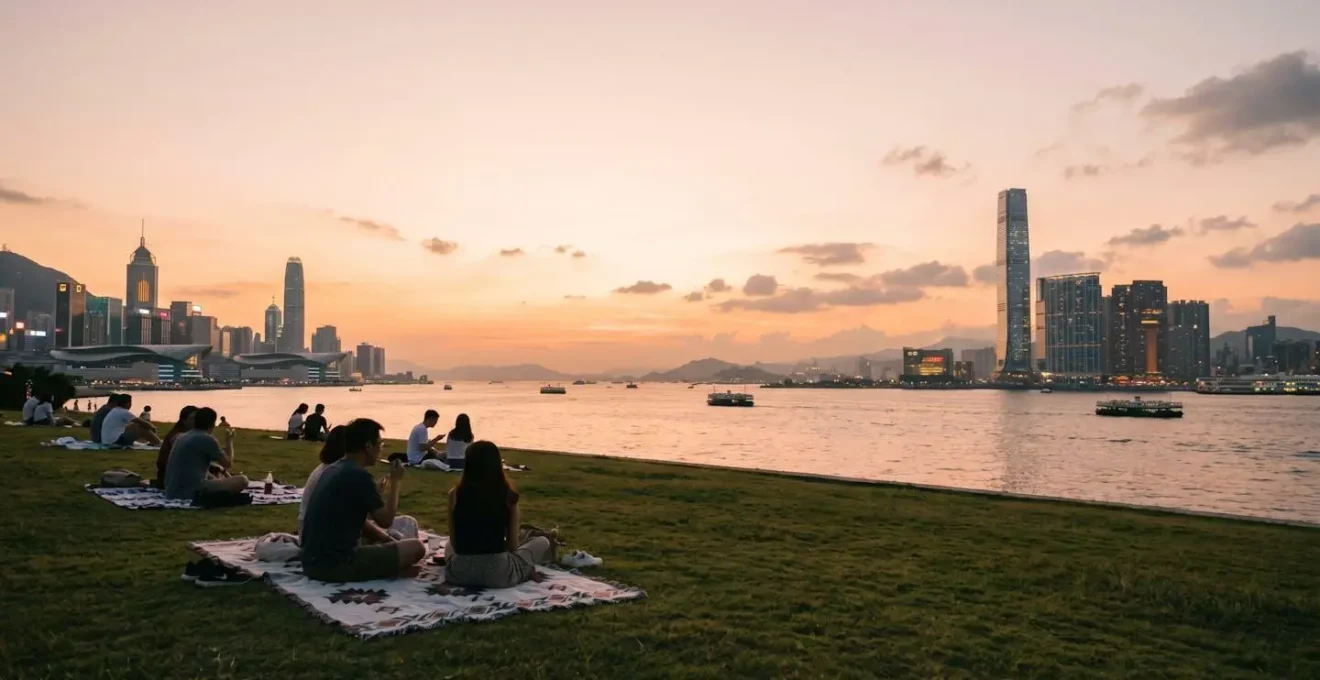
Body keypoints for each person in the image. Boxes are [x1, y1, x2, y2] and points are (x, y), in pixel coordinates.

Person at [300, 419, 426, 582]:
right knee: (416, 547)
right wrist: (396, 482)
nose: (381, 449)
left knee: (378, 540)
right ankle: (390, 570)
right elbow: (386, 520)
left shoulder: (333, 469)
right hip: (337, 565)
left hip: (311, 562)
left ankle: (386, 563)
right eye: (380, 444)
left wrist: (387, 540)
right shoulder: (358, 475)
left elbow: (358, 520)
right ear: (368, 446)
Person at [444, 441, 556, 588]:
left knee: (447, 545)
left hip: (459, 574)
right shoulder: (508, 496)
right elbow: (512, 545)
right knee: (542, 542)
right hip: (498, 574)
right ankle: (526, 570)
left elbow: (454, 541)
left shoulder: (454, 495)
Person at [163, 407, 249, 500]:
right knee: (242, 480)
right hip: (190, 492)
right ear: (213, 423)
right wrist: (229, 442)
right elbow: (228, 463)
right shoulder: (207, 438)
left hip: (171, 492)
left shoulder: (182, 436)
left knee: (215, 477)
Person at [153, 405, 198, 488]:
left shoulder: (189, 434)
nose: (196, 421)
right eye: (192, 419)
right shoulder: (178, 435)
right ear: (183, 420)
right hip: (173, 478)